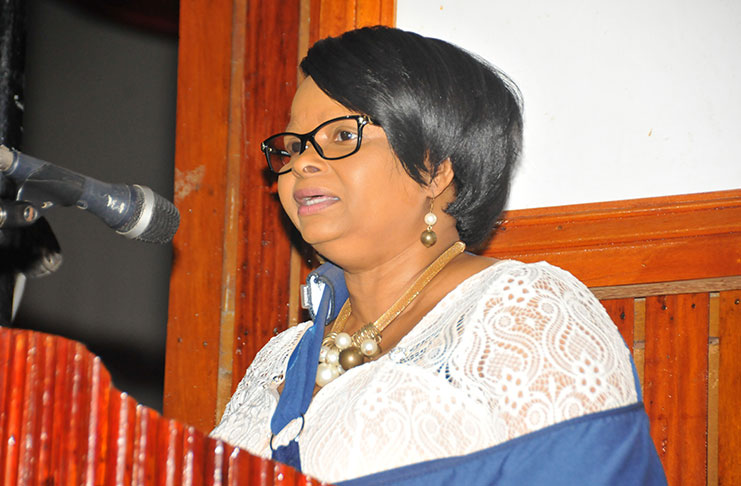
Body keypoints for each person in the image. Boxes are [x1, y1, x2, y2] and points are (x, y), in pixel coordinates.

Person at [211, 26, 666, 485]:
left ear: (436, 168)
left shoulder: (520, 312)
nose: (303, 162)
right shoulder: (281, 356)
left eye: (342, 134)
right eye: (293, 145)